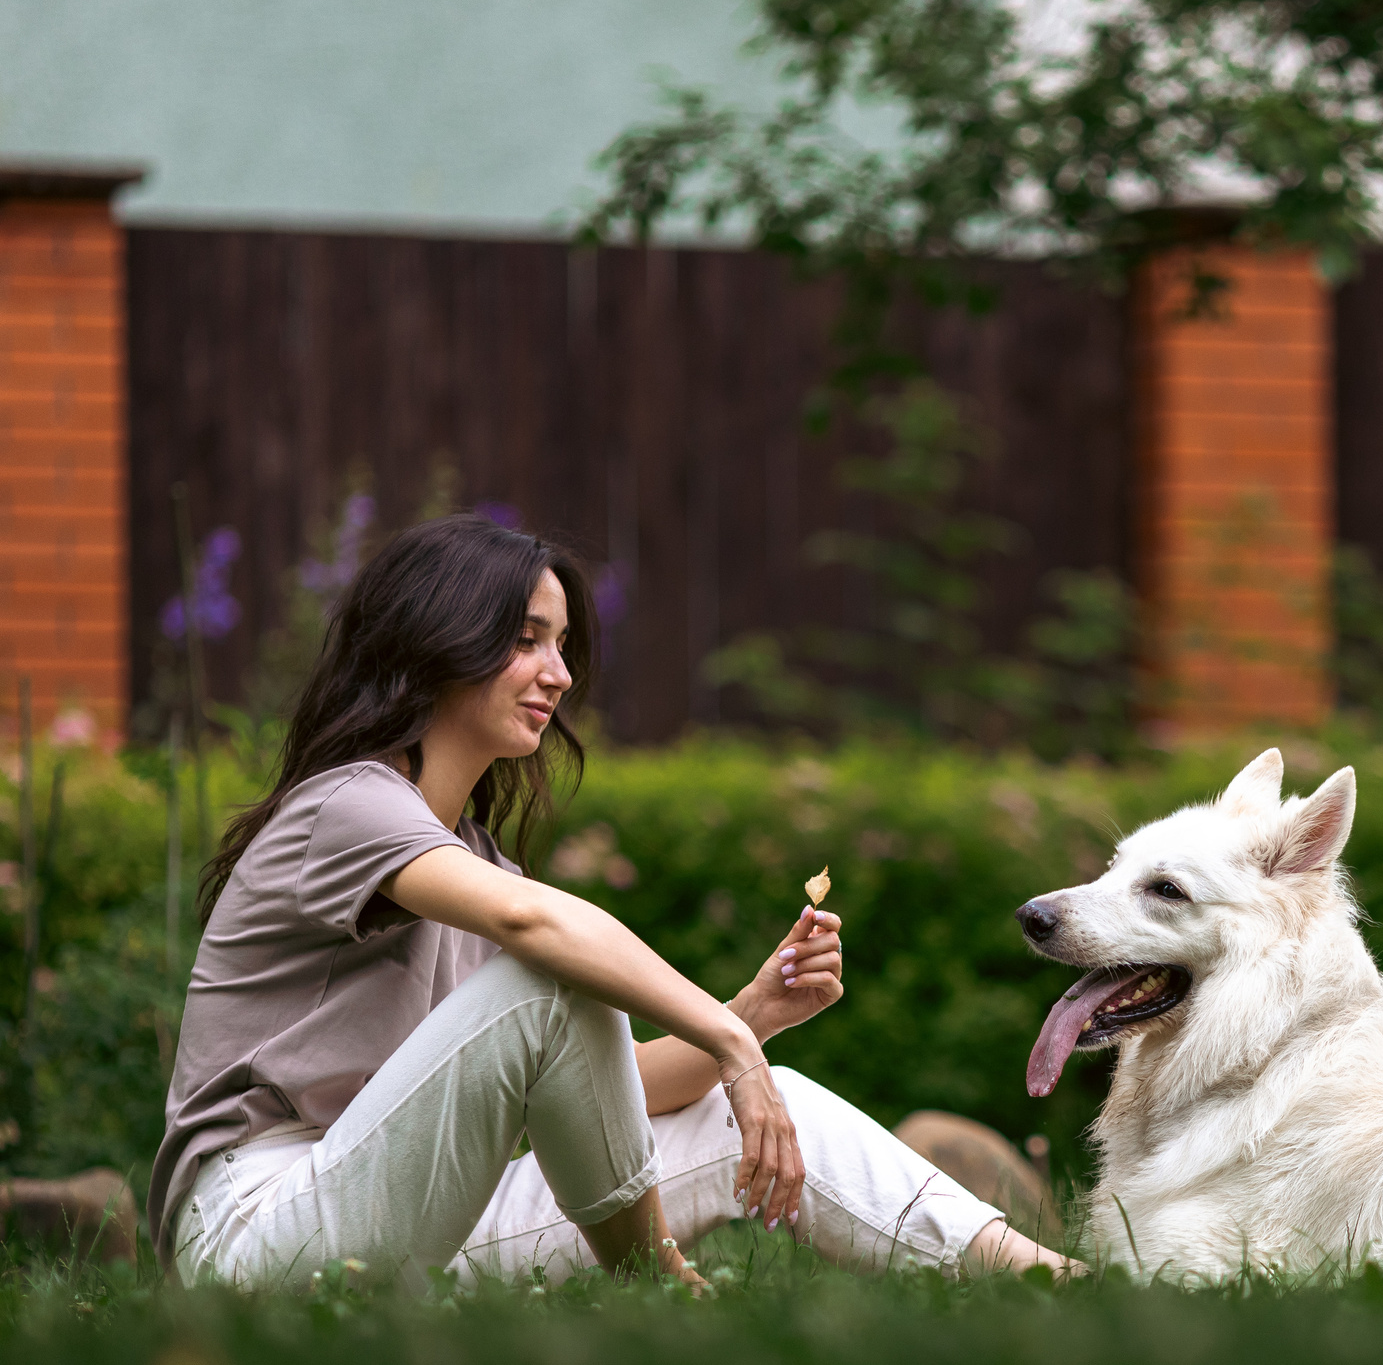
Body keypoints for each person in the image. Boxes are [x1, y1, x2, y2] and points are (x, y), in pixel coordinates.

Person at [145, 513, 1074, 1294]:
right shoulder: (344, 805)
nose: (560, 674)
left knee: (724, 1088)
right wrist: (726, 1039)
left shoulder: (472, 862)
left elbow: (603, 1086)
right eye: (524, 640)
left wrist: (754, 1018)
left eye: (559, 644)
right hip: (257, 1228)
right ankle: (658, 1285)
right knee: (554, 971)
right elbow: (542, 940)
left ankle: (1048, 1283)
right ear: (433, 638)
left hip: (408, 1213)